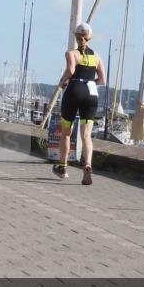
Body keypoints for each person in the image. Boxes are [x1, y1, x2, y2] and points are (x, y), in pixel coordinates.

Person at [53, 22, 106, 185]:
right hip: (91, 94)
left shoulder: (71, 53)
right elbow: (103, 80)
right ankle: (88, 164)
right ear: (89, 38)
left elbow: (70, 71)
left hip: (74, 90)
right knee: (86, 135)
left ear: (76, 37)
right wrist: (90, 81)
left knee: (66, 132)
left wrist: (63, 81)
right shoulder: (97, 56)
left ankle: (63, 167)